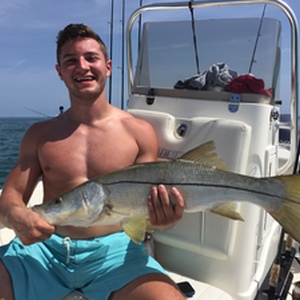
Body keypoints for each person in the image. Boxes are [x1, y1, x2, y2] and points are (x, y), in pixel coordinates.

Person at [0, 24, 186, 299]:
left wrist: (165, 221)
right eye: (70, 61)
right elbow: (11, 196)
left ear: (108, 66)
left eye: (91, 58)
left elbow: (148, 213)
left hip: (116, 254)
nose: (82, 67)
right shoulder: (40, 135)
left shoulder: (139, 132)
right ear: (59, 72)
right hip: (42, 251)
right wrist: (16, 216)